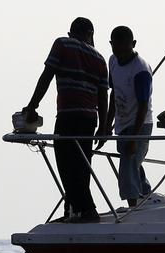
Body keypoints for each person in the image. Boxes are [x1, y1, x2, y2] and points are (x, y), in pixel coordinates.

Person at [22, 17, 109, 222]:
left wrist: (32, 106)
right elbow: (103, 96)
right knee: (82, 165)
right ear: (91, 35)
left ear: (72, 33)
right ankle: (72, 211)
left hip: (69, 115)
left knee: (66, 164)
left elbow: (47, 75)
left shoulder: (63, 44)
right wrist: (104, 126)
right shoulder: (100, 58)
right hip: (90, 118)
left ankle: (87, 210)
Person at [98, 25, 153, 207]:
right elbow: (114, 93)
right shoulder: (112, 61)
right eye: (116, 48)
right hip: (122, 122)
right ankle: (146, 195)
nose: (120, 53)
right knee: (132, 162)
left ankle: (133, 206)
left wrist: (134, 138)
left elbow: (143, 106)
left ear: (133, 44)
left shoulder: (140, 70)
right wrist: (107, 124)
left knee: (128, 163)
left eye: (124, 49)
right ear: (111, 45)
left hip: (140, 123)